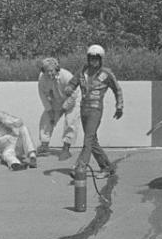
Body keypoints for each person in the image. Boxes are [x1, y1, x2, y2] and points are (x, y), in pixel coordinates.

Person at [63, 44, 123, 177]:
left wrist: (119, 106)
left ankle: (80, 167)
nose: (93, 61)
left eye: (96, 58)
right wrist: (69, 89)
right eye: (91, 58)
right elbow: (72, 83)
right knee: (92, 141)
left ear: (101, 59)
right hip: (83, 108)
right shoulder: (82, 71)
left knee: (88, 139)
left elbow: (117, 89)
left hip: (95, 109)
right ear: (88, 58)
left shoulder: (106, 74)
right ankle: (107, 167)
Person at [37, 57, 80, 160]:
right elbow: (42, 94)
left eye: (51, 70)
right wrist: (49, 109)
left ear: (56, 69)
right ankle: (44, 146)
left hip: (71, 99)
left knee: (70, 122)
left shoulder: (66, 76)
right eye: (46, 71)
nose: (49, 73)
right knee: (46, 120)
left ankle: (66, 149)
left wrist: (64, 107)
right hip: (56, 99)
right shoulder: (42, 78)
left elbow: (74, 93)